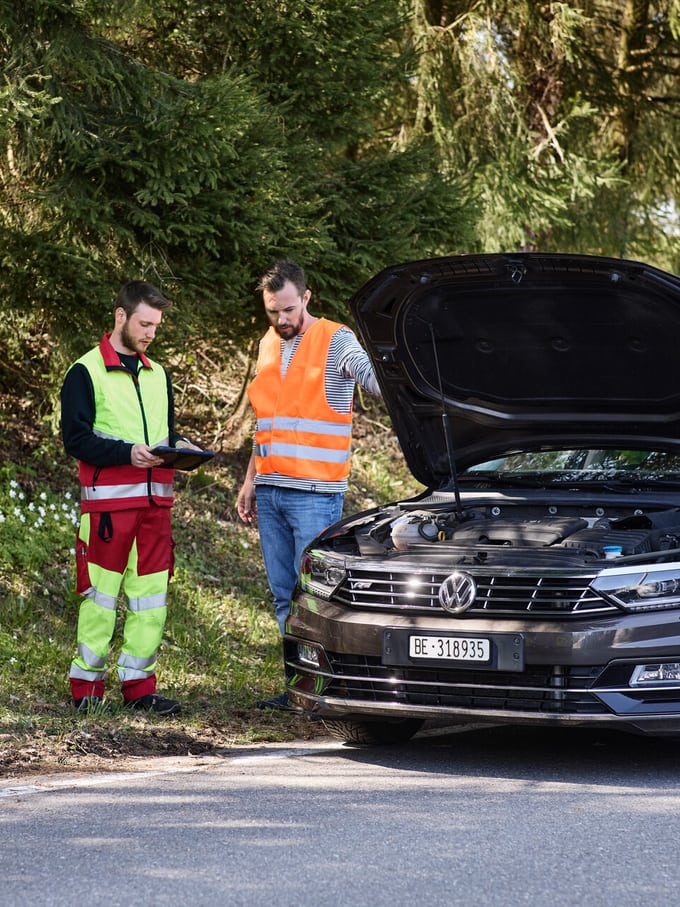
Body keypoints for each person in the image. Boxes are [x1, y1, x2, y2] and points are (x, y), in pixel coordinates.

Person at [237, 259, 381, 709]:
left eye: (288, 309)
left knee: (314, 597)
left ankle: (323, 688)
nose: (281, 320)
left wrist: (392, 367)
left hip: (315, 496)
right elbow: (266, 423)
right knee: (284, 594)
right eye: (272, 312)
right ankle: (300, 691)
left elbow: (374, 379)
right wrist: (249, 481)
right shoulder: (266, 345)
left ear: (306, 298)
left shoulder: (335, 339)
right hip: (271, 489)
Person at [60, 280, 201, 716]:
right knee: (99, 600)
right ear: (120, 316)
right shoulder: (85, 371)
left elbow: (162, 434)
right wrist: (127, 453)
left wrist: (182, 448)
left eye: (156, 326)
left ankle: (140, 689)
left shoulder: (159, 375)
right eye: (144, 323)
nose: (150, 334)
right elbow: (76, 439)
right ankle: (86, 690)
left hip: (156, 506)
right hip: (108, 509)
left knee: (151, 601)